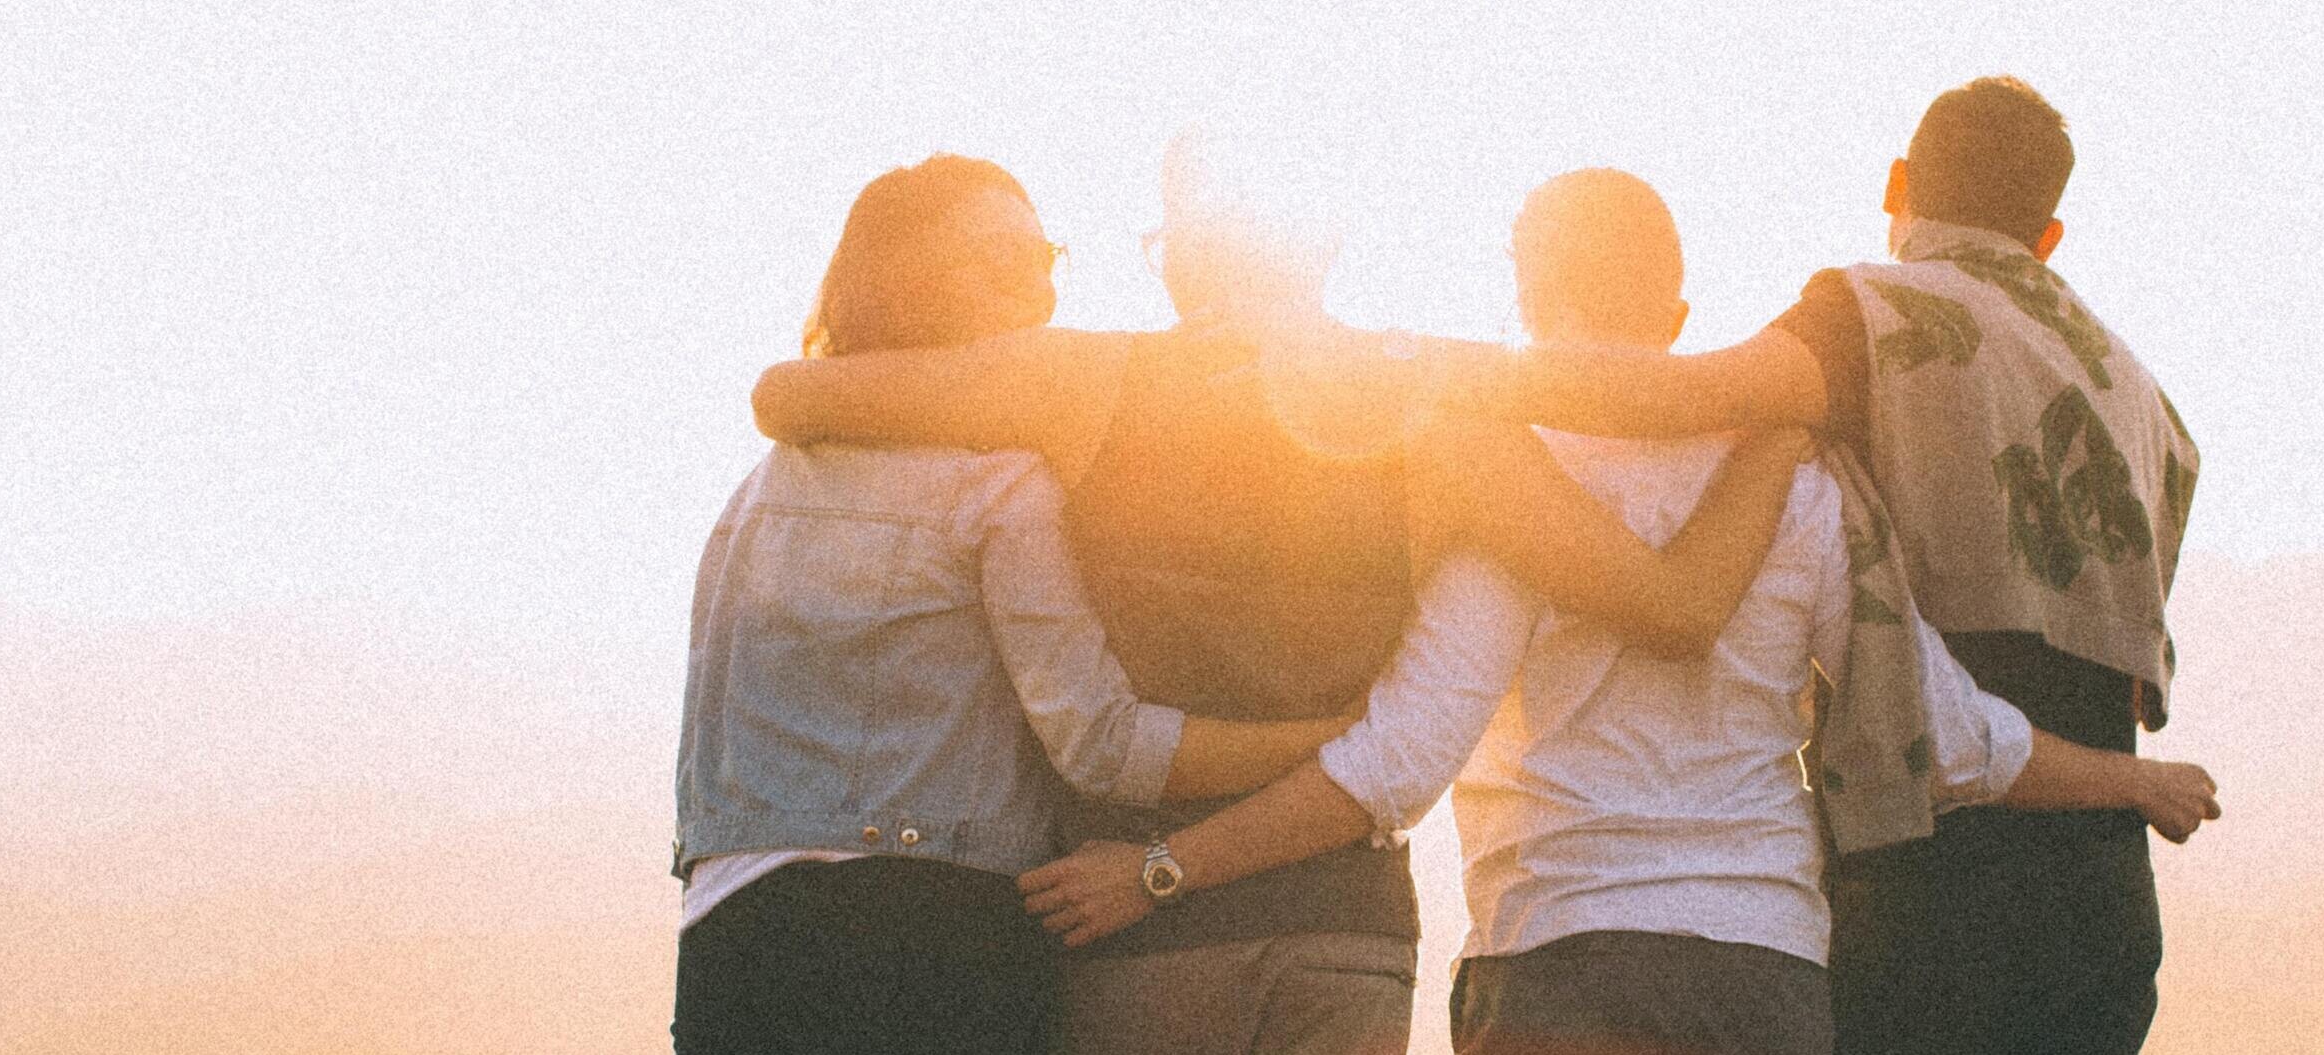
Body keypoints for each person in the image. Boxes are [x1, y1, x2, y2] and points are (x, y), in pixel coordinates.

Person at [1014, 168, 2217, 1055]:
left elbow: (1401, 759)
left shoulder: (1510, 483)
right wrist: (2138, 782)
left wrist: (1162, 869)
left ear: (1526, 296)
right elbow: (1947, 736)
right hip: (1765, 976)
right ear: (1680, 317)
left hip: (1563, 963)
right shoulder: (1799, 483)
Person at [750, 137, 1792, 1055]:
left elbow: (791, 398)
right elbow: (1675, 605)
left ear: (1185, 249)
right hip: (1345, 935)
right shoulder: (1448, 418)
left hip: (1133, 934)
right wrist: (1783, 420)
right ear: (1323, 243)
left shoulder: (1074, 381)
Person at [1437, 80, 2210, 1055]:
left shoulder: (1879, 320)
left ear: (1897, 184)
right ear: (2047, 235)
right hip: (2099, 905)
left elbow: (1688, 397)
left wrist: (1425, 378)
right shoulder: (2141, 399)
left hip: (1924, 899)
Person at [672, 154, 1362, 1055]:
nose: (1038, 296)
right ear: (915, 283)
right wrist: (1328, 740)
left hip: (733, 937)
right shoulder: (999, 483)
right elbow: (1100, 744)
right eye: (1004, 265)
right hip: (935, 939)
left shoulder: (753, 495)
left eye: (1047, 261)